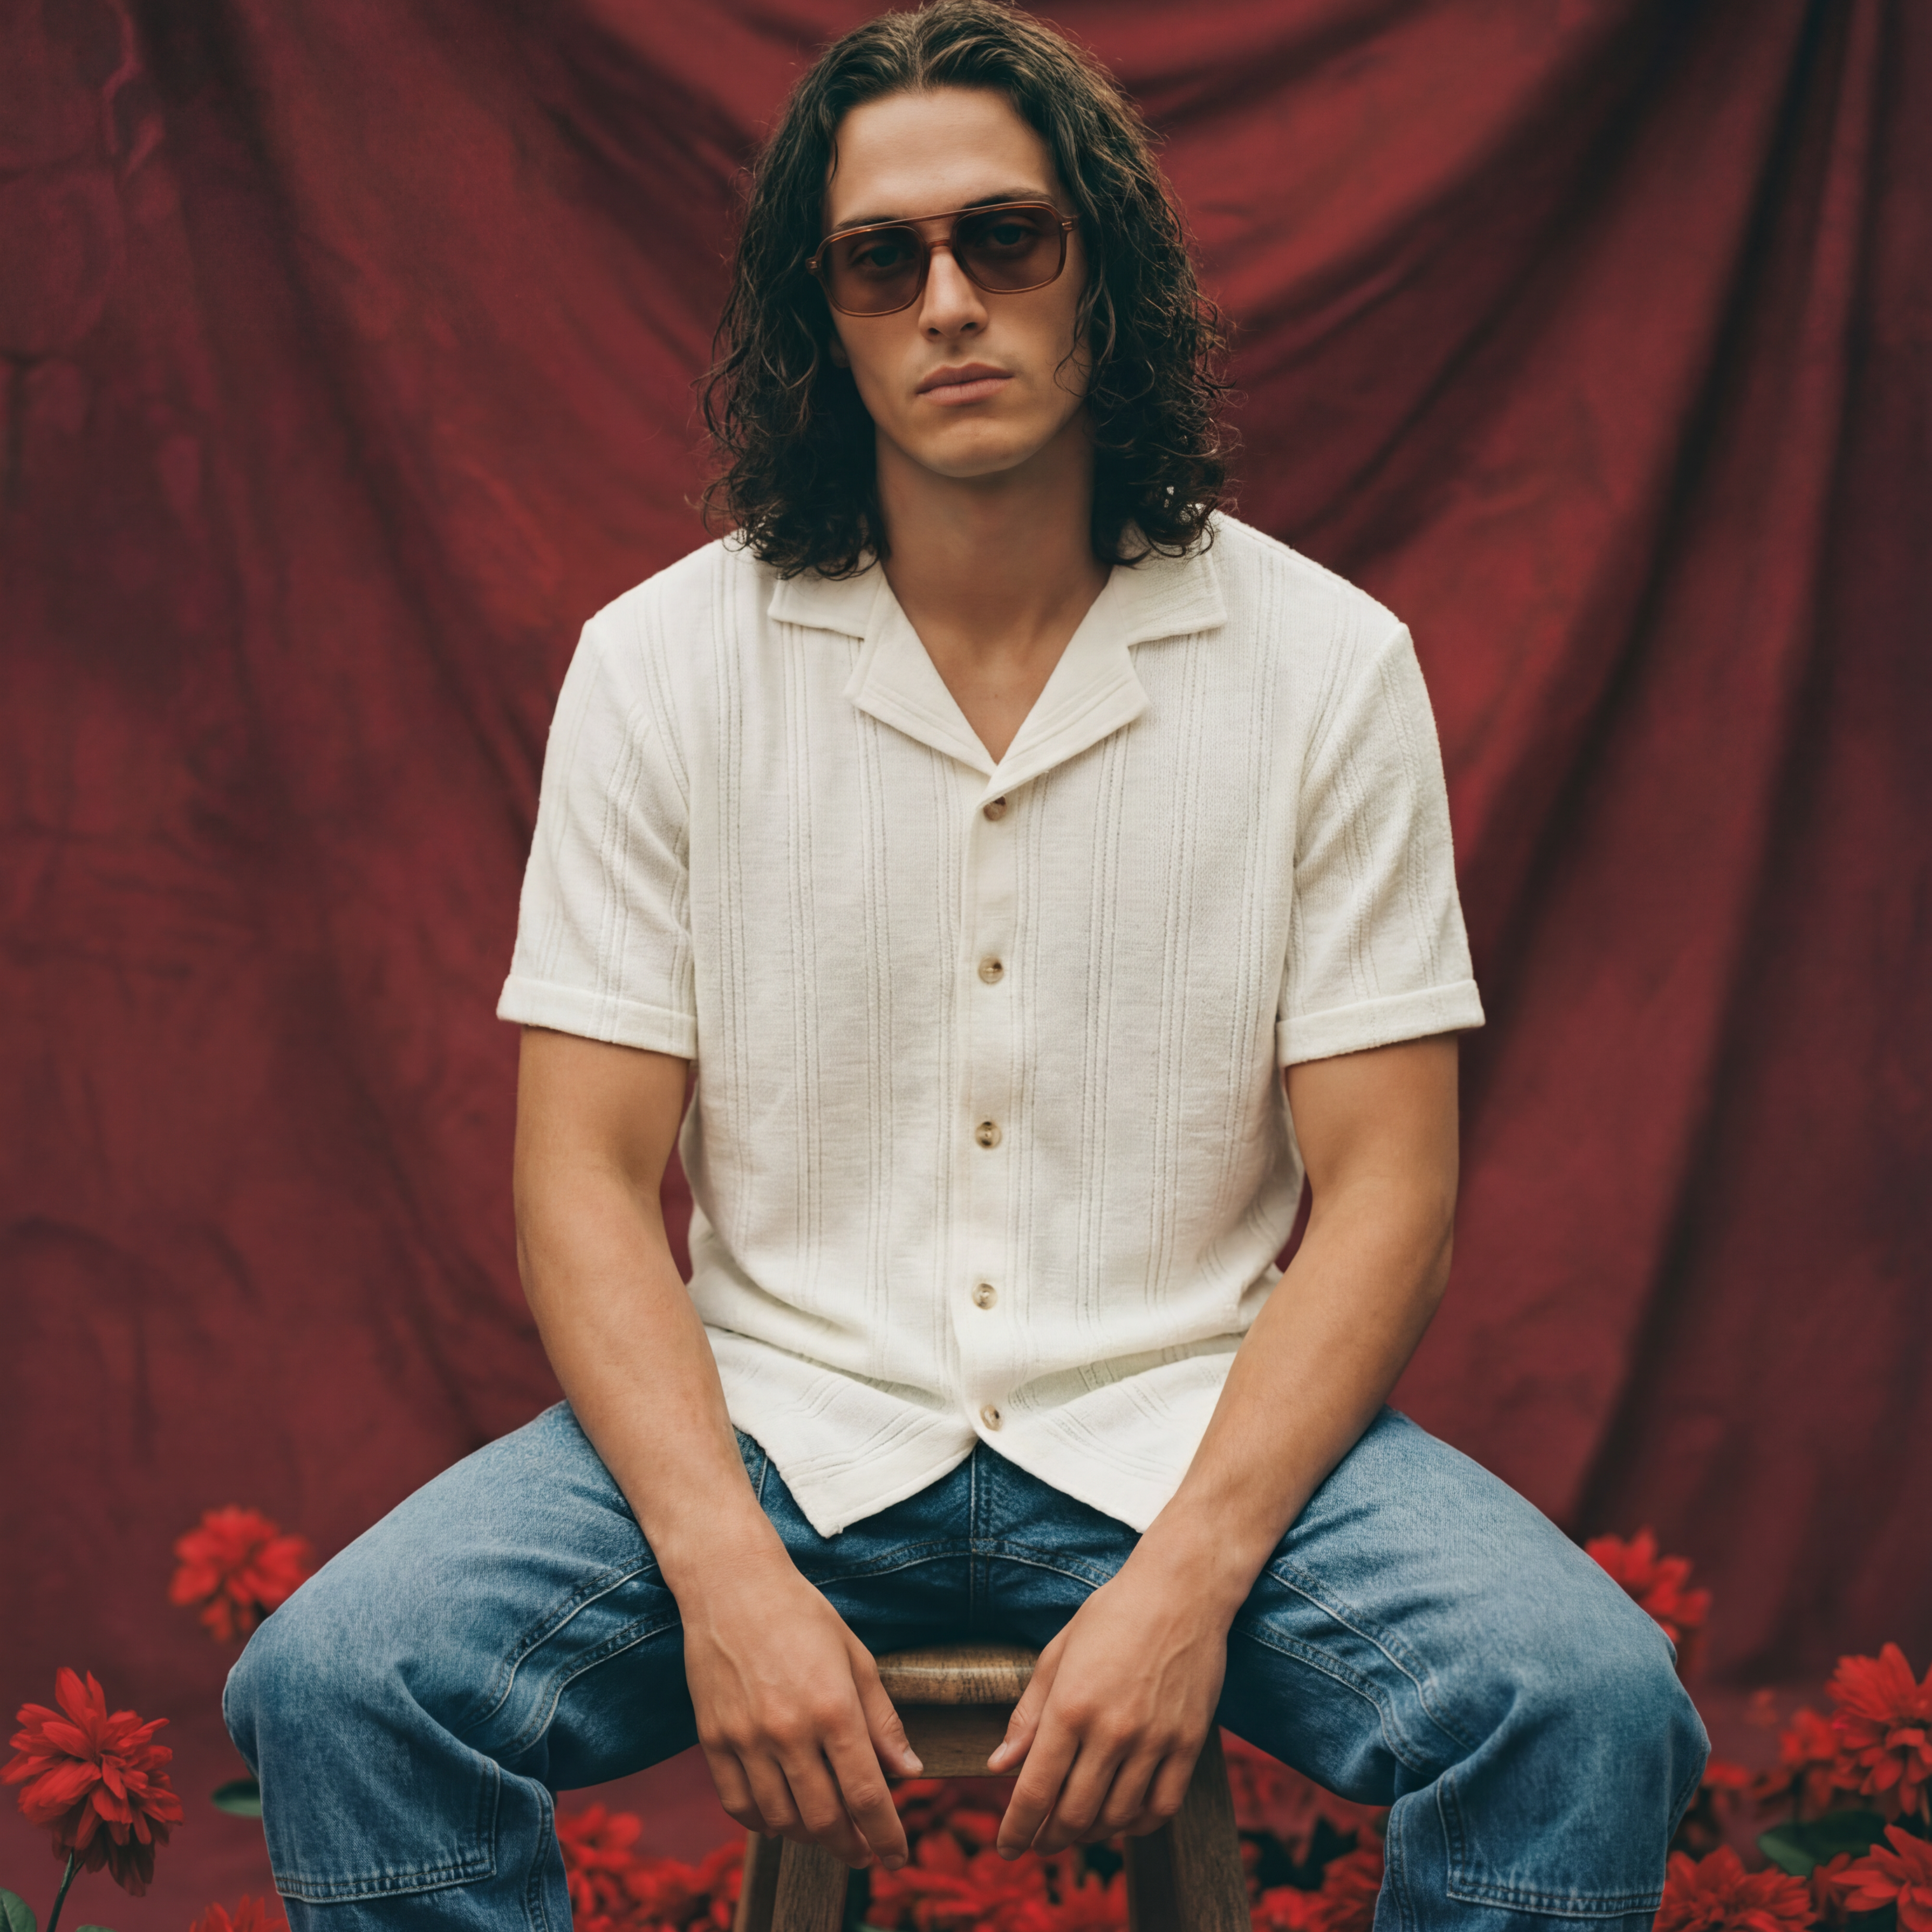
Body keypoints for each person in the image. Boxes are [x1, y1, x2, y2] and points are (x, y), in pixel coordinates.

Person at [224, 4, 1707, 1927]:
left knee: (1581, 1702)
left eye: (1007, 238)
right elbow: (582, 1176)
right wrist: (724, 1578)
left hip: (1184, 1415)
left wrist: (1187, 1579)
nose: (947, 301)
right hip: (777, 1420)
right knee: (344, 1685)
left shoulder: (1327, 667)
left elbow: (1392, 1186)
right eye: (881, 258)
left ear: (1104, 265)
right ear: (819, 314)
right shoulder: (663, 665)